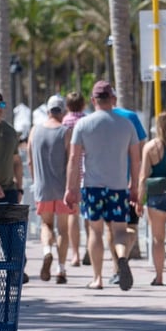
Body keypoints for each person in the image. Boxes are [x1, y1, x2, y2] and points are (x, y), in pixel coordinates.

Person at [64, 80, 140, 292]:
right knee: (119, 230)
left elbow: (73, 159)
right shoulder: (126, 124)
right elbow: (136, 159)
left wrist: (70, 189)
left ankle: (97, 278)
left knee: (95, 232)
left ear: (93, 100)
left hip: (92, 186)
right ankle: (122, 258)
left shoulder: (83, 125)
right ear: (112, 99)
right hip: (118, 186)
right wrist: (134, 186)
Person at [28, 94, 71, 284]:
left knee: (46, 224)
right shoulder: (65, 131)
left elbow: (30, 160)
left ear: (48, 111)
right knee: (63, 229)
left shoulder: (34, 131)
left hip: (42, 186)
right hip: (62, 188)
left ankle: (47, 251)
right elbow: (71, 161)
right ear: (62, 111)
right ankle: (61, 269)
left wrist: (37, 180)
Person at [136, 110, 166, 286]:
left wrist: (139, 200)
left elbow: (143, 176)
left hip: (155, 196)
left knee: (157, 239)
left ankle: (159, 277)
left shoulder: (151, 147)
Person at [109, 104, 147, 285]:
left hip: (109, 183)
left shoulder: (100, 117)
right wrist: (138, 181)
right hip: (131, 182)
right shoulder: (131, 116)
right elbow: (141, 149)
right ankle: (124, 258)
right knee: (130, 226)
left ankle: (116, 267)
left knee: (112, 229)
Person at [61, 91, 88, 267]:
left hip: (71, 172)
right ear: (84, 105)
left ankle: (75, 254)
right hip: (87, 171)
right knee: (88, 216)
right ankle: (88, 251)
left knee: (73, 214)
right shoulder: (87, 120)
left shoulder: (64, 122)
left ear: (67, 106)